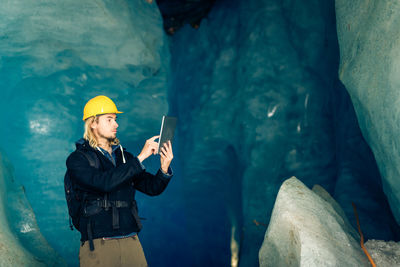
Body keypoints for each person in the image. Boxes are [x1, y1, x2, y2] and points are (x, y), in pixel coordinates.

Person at [66, 95, 173, 267]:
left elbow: (152, 188)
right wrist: (141, 158)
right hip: (99, 244)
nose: (116, 124)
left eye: (115, 119)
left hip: (131, 241)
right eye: (109, 120)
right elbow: (103, 183)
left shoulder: (124, 157)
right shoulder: (78, 159)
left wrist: (164, 168)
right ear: (93, 123)